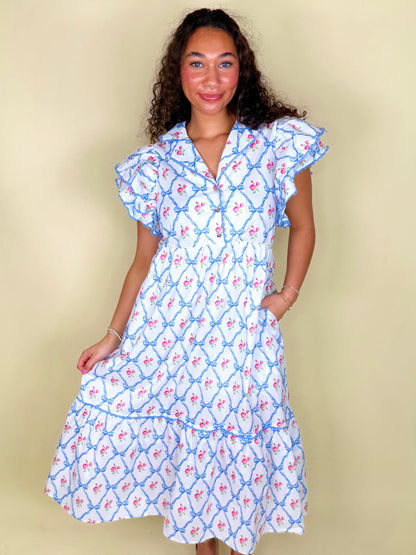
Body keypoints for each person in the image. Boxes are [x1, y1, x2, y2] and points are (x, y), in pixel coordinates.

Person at [44, 8, 328, 555]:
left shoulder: (276, 146)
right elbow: (143, 262)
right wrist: (113, 336)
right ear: (178, 72)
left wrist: (284, 298)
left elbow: (304, 226)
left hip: (243, 330)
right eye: (197, 63)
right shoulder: (155, 164)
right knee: (190, 456)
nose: (211, 78)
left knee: (235, 453)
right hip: (170, 333)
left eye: (225, 63)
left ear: (242, 70)